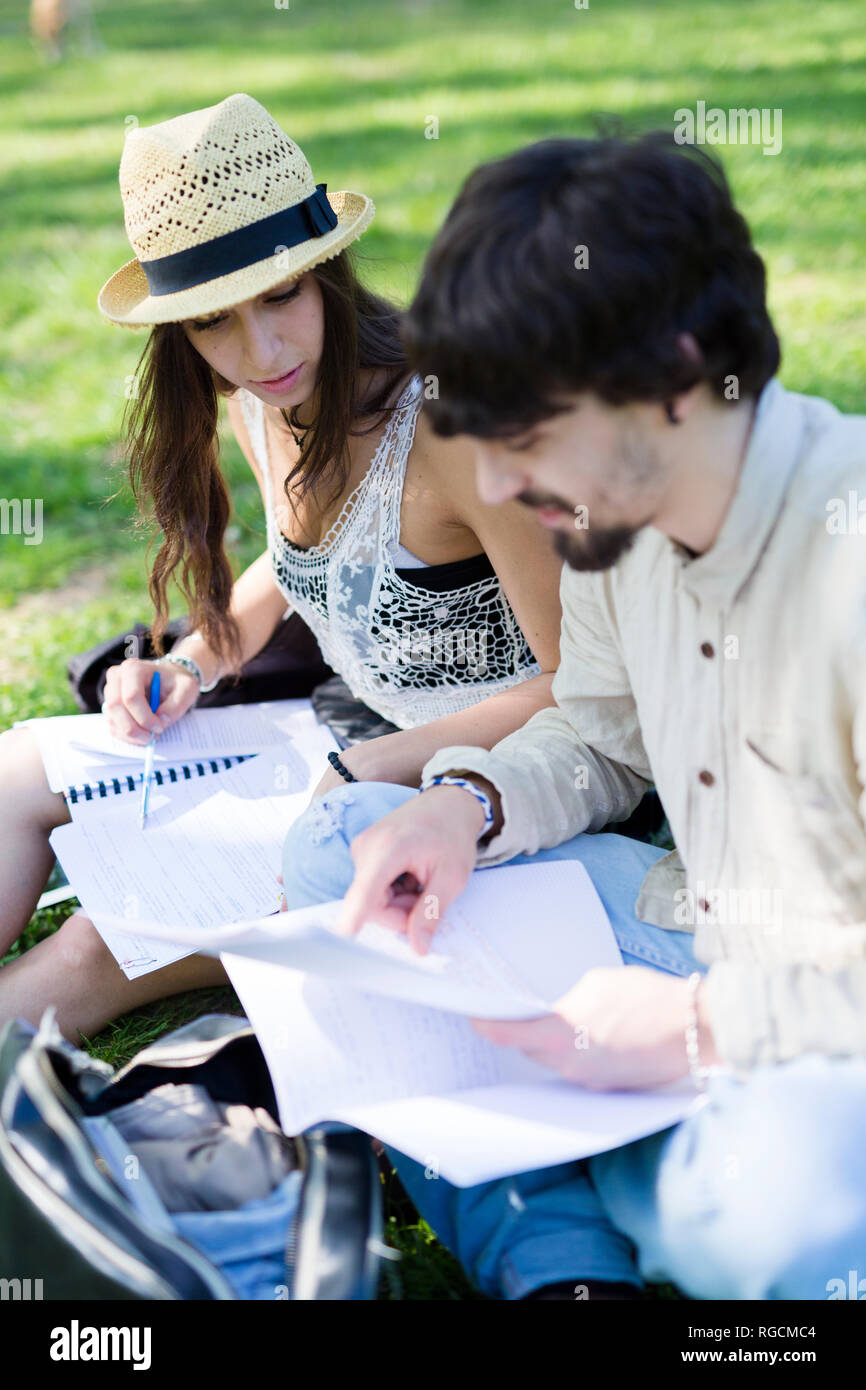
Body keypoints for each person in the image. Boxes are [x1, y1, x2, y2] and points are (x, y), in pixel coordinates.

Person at [280, 131, 866, 1300]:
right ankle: (580, 1254)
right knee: (343, 854)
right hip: (691, 926)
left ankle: (600, 1207)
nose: (494, 492)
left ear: (677, 373)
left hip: (818, 1010)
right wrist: (465, 805)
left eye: (527, 440)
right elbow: (597, 733)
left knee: (747, 1232)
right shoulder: (605, 523)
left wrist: (700, 1026)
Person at [0, 94, 564, 1040]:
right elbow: (302, 561)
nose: (260, 351)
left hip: (480, 783)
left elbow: (576, 688)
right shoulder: (263, 398)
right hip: (343, 739)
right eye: (215, 321)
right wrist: (194, 659)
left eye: (281, 297)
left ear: (327, 273)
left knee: (98, 946)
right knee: (16, 765)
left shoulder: (453, 429)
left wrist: (370, 764)